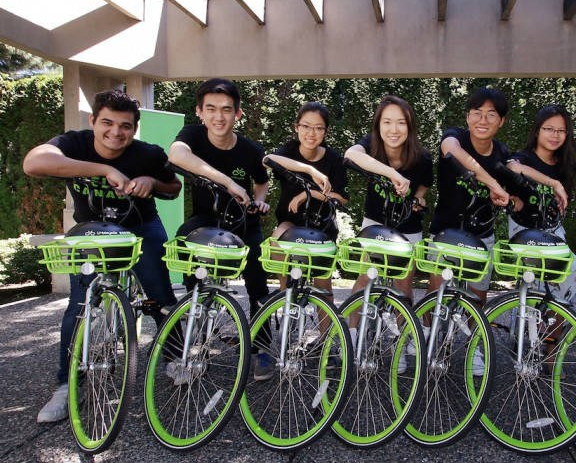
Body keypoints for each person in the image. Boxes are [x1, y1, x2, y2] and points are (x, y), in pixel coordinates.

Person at [23, 89, 181, 423]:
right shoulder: (73, 143)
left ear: (134, 128)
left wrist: (150, 180)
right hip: (93, 229)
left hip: (141, 227)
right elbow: (33, 162)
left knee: (161, 296)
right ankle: (65, 386)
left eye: (125, 126)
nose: (116, 132)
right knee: (79, 306)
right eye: (107, 122)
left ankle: (174, 357)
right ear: (93, 121)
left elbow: (174, 187)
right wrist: (101, 169)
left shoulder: (147, 153)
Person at [167, 78, 273, 381]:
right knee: (183, 242)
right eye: (211, 109)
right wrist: (227, 182)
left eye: (227, 109)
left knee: (257, 283)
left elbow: (262, 182)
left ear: (237, 114)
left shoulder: (251, 150)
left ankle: (262, 348)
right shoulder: (193, 135)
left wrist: (260, 202)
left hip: (243, 221)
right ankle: (192, 340)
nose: (218, 116)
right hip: (205, 218)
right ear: (200, 112)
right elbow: (176, 155)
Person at [428, 87, 566, 304]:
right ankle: (427, 335)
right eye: (477, 113)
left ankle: (476, 337)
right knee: (435, 297)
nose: (483, 120)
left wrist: (552, 183)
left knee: (478, 301)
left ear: (501, 121)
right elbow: (452, 151)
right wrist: (493, 184)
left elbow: (517, 168)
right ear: (467, 116)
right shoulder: (455, 137)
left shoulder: (501, 152)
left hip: (482, 235)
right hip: (445, 231)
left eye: (491, 114)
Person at [344, 95, 433, 302]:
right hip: (375, 221)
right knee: (365, 278)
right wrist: (393, 174)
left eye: (401, 123)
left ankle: (403, 333)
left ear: (410, 127)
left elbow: (424, 185)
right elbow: (350, 154)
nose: (394, 130)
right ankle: (355, 332)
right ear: (378, 125)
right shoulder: (371, 145)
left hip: (409, 225)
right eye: (387, 122)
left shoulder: (422, 158)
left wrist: (418, 199)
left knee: (403, 285)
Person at [506, 104, 576, 308]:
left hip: (553, 231)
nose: (555, 135)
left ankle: (550, 329)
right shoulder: (524, 158)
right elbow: (512, 167)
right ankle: (547, 323)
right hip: (525, 231)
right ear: (537, 130)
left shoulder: (565, 165)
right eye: (549, 129)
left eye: (561, 130)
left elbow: (560, 206)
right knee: (558, 278)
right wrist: (552, 183)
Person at [264, 101, 349, 295]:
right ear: (297, 127)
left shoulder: (334, 159)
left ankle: (327, 325)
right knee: (277, 236)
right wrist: (309, 169)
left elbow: (342, 198)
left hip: (323, 228)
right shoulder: (289, 151)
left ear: (325, 132)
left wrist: (308, 194)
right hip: (291, 222)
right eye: (306, 126)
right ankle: (286, 294)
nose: (311, 133)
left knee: (323, 288)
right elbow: (267, 160)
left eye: (318, 128)